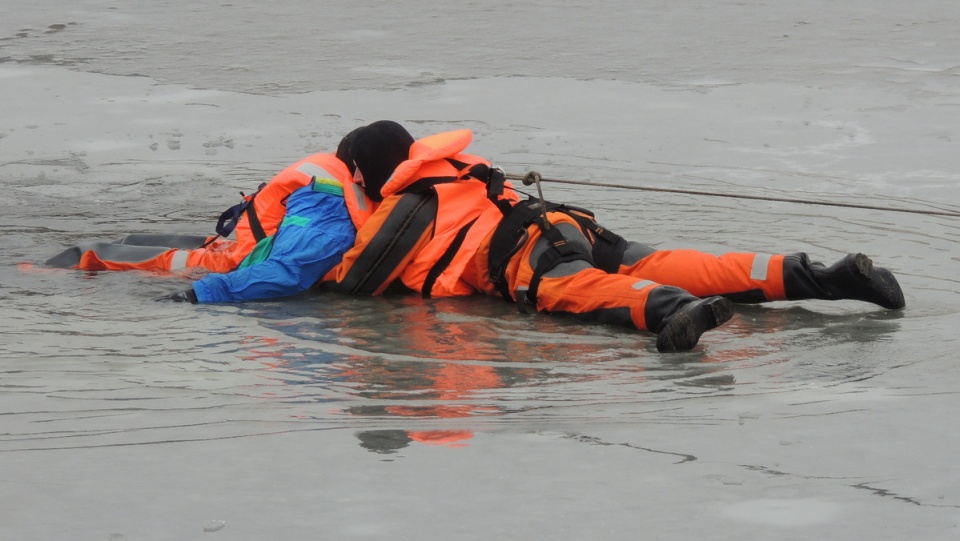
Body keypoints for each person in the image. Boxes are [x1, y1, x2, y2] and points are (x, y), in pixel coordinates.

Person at [324, 122, 905, 353]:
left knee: (584, 291)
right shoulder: (461, 172)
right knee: (683, 261)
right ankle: (826, 276)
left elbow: (355, 282)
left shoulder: (405, 205)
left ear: (368, 173)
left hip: (524, 254)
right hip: (567, 224)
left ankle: (677, 313)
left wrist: (354, 201)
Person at [44, 122, 402, 302]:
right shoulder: (331, 209)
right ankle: (43, 272)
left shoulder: (334, 182)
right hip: (242, 263)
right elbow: (285, 271)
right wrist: (198, 295)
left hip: (251, 243)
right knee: (99, 257)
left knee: (158, 246)